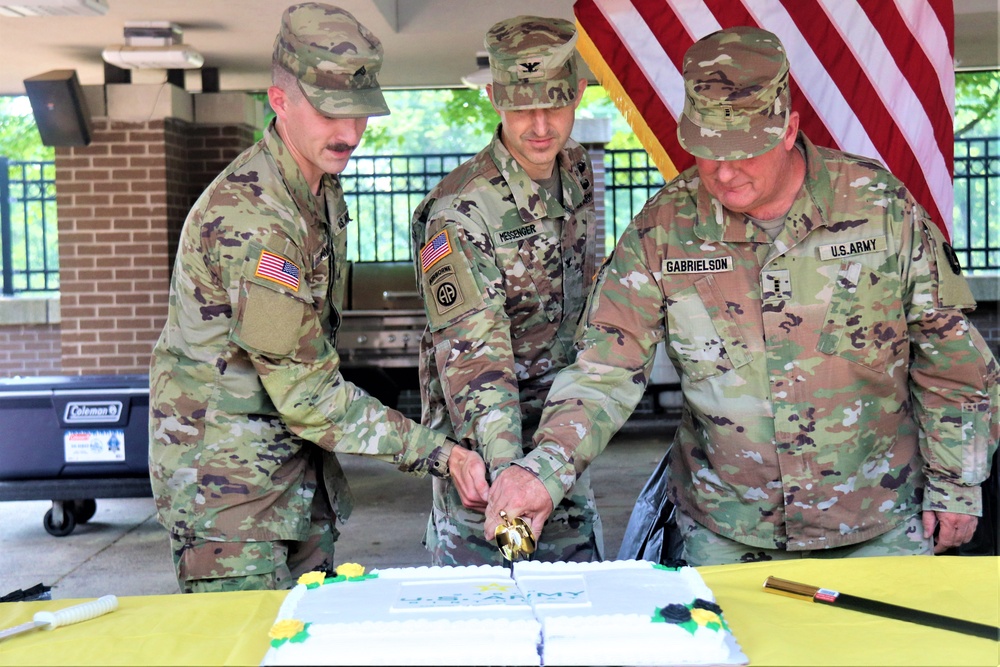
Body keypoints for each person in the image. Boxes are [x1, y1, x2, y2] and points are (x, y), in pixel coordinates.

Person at [484, 26, 999, 565]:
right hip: (726, 531)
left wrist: (957, 482)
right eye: (707, 151)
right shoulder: (665, 228)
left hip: (877, 521)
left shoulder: (882, 209)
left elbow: (950, 357)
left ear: (787, 129)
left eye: (742, 151)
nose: (724, 172)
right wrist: (542, 469)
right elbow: (604, 368)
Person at [149, 2, 488, 594]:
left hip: (293, 476)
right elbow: (307, 394)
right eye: (331, 111)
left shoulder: (317, 190)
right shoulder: (254, 217)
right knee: (250, 651)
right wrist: (442, 455)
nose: (350, 132)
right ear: (279, 100)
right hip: (229, 496)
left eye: (360, 112)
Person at [410, 15, 603, 565]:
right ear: (494, 97)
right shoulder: (460, 211)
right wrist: (513, 480)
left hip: (560, 450)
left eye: (555, 103)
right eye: (522, 107)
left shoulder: (576, 172)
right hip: (489, 466)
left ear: (580, 95)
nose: (540, 125)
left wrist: (556, 460)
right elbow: (475, 360)